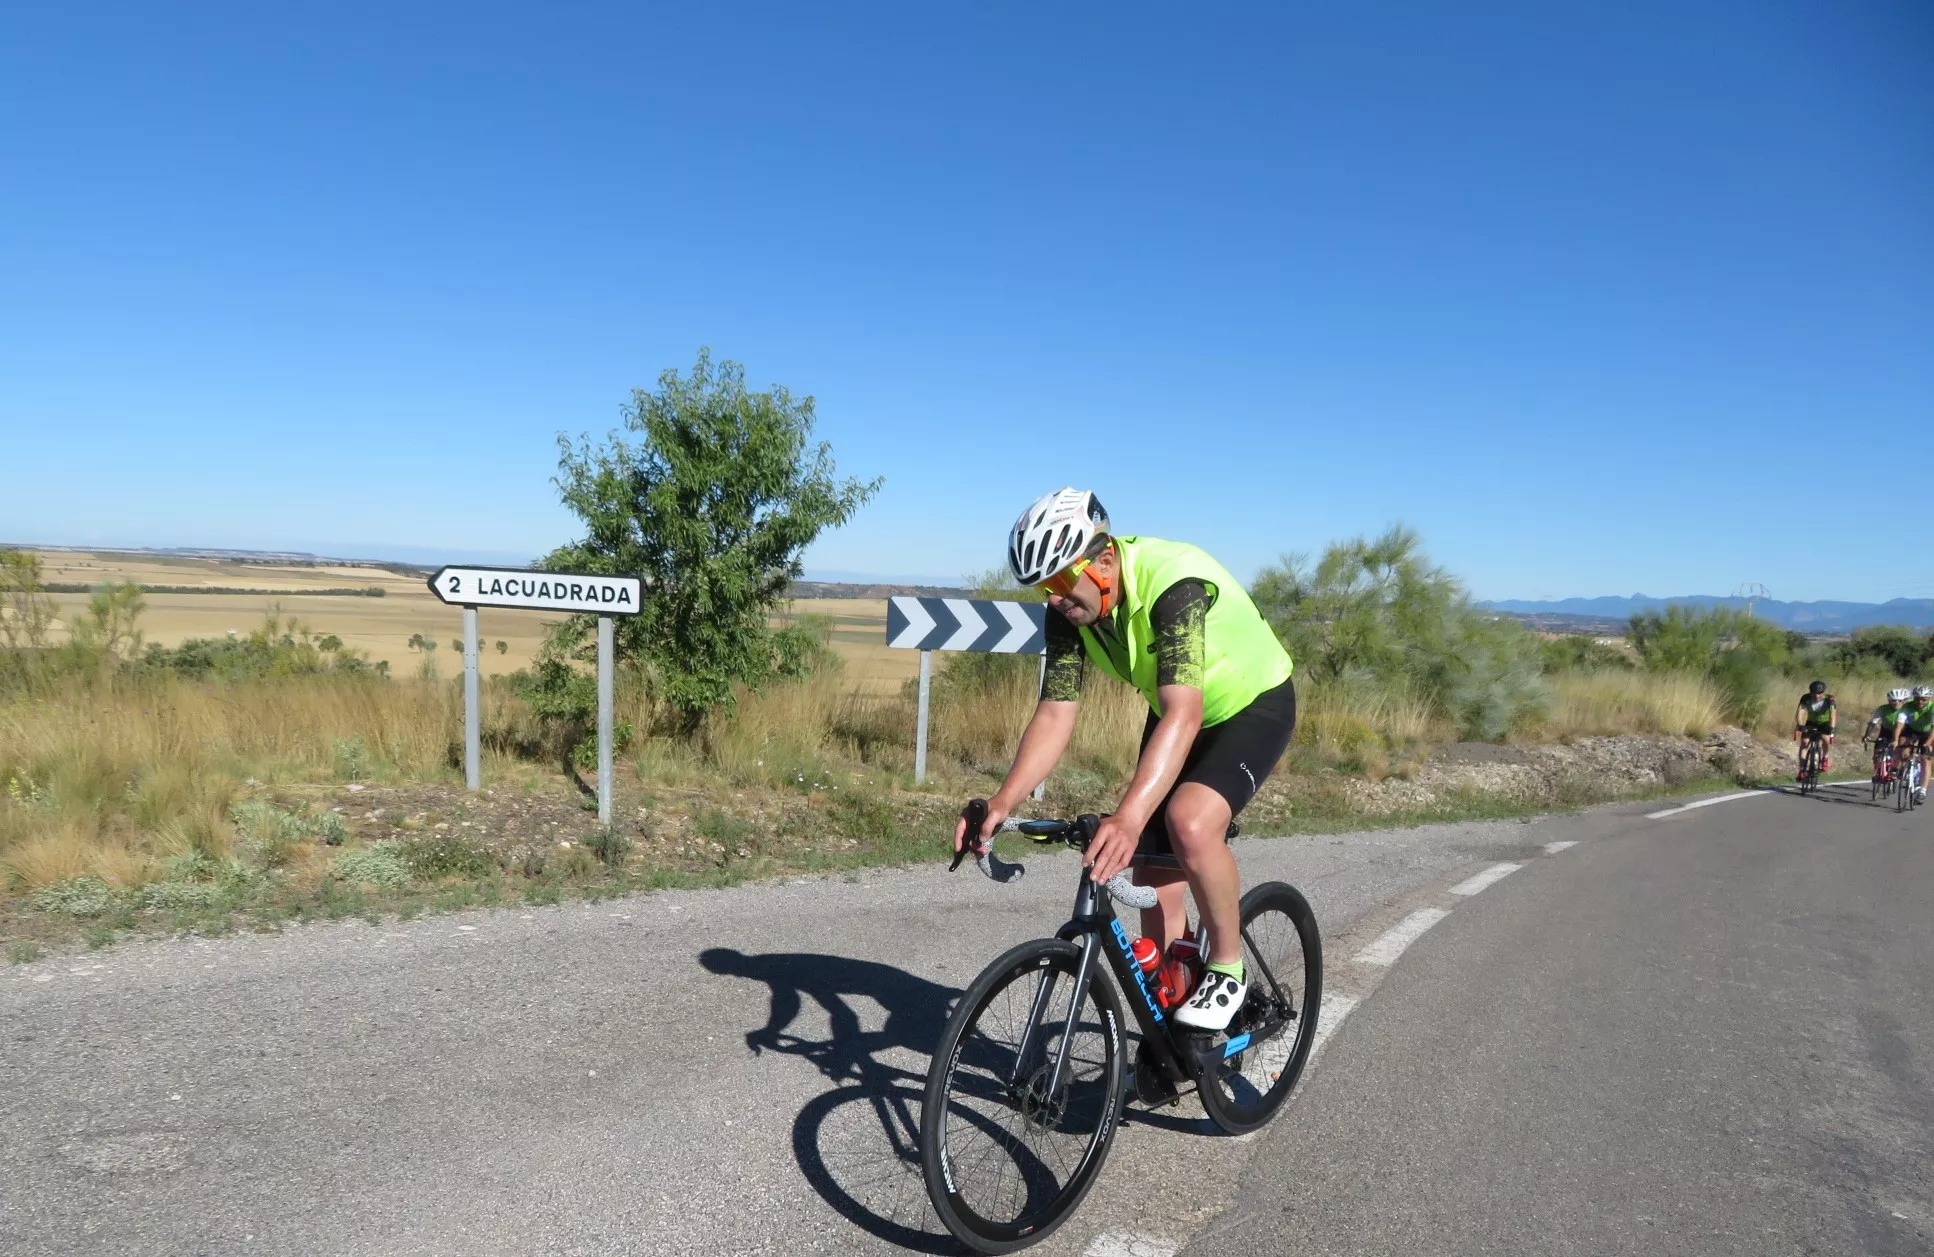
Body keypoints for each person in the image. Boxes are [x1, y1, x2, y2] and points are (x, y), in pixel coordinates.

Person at [952, 488, 1295, 1032]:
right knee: (1154, 879)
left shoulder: (1173, 585)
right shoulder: (1070, 614)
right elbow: (1055, 715)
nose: (1057, 598)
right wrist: (1001, 801)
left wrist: (1131, 817)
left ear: (1105, 560)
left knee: (1188, 821)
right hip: (1178, 709)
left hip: (1251, 705)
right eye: (1045, 588)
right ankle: (1178, 1034)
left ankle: (1227, 967)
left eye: (1063, 580)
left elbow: (1185, 711)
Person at [1864, 688, 1913, 780]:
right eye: (1893, 700)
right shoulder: (1883, 708)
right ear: (1889, 700)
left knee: (1902, 752)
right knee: (1877, 753)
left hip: (1903, 732)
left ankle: (1899, 769)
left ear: (1904, 701)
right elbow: (1873, 723)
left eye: (1900, 700)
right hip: (1886, 731)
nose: (1896, 703)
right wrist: (1867, 735)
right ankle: (1878, 772)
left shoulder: (1907, 709)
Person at [1793, 680, 1836, 778]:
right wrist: (1800, 725)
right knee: (1804, 742)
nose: (1816, 696)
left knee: (1826, 739)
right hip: (1811, 723)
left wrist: (1832, 728)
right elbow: (1800, 712)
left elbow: (1833, 714)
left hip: (1825, 723)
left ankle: (1825, 758)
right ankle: (1802, 770)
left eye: (1819, 693)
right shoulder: (1805, 698)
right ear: (1810, 692)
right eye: (1813, 693)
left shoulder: (1830, 699)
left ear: (1823, 693)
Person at [1901, 685, 1934, 803]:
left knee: (1926, 758)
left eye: (1923, 699)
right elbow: (1900, 724)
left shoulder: (1932, 708)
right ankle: (1904, 769)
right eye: (1917, 698)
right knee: (1903, 745)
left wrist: (1927, 743)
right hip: (1912, 730)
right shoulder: (1908, 706)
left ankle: (1922, 791)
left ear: (1929, 699)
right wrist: (1896, 740)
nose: (1919, 701)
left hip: (1928, 733)